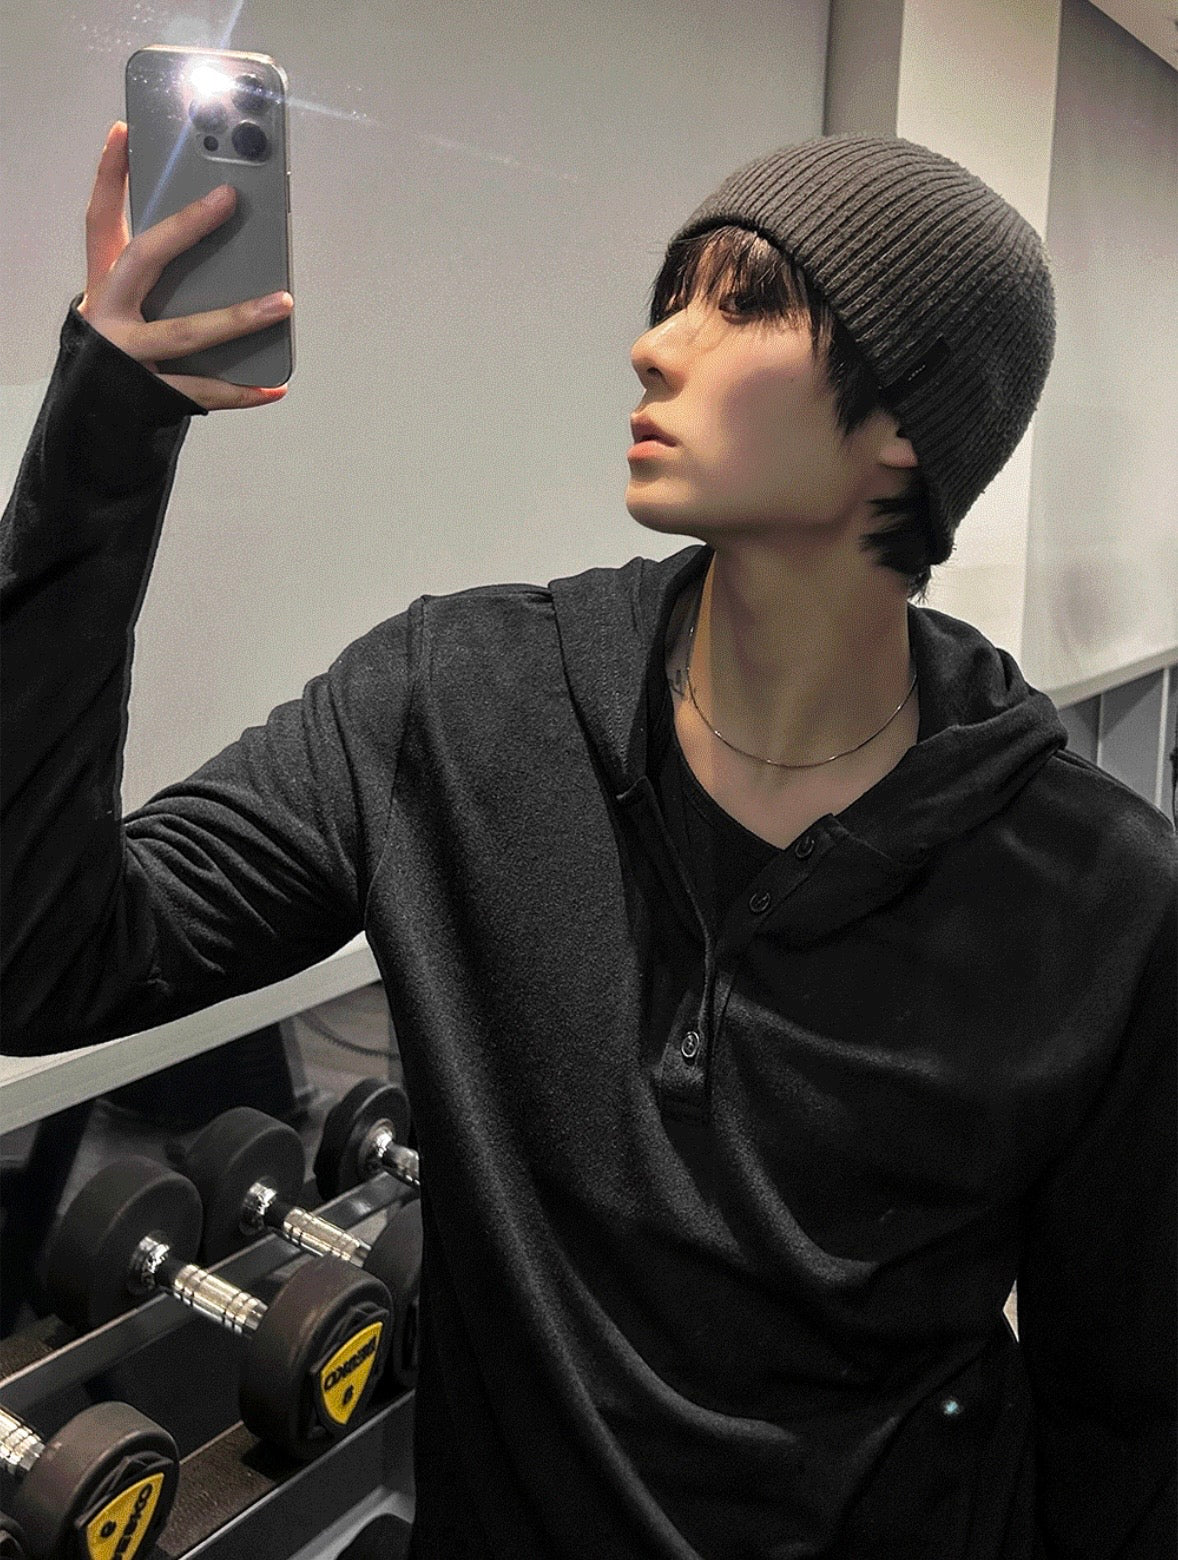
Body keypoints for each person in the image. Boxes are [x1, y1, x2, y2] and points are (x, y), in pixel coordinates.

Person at [2, 125, 1174, 1559]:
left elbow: (1126, 1423)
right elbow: (40, 961)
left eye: (743, 303)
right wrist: (106, 436)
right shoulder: (451, 706)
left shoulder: (1097, 896)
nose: (653, 346)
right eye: (669, 297)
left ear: (909, 421)